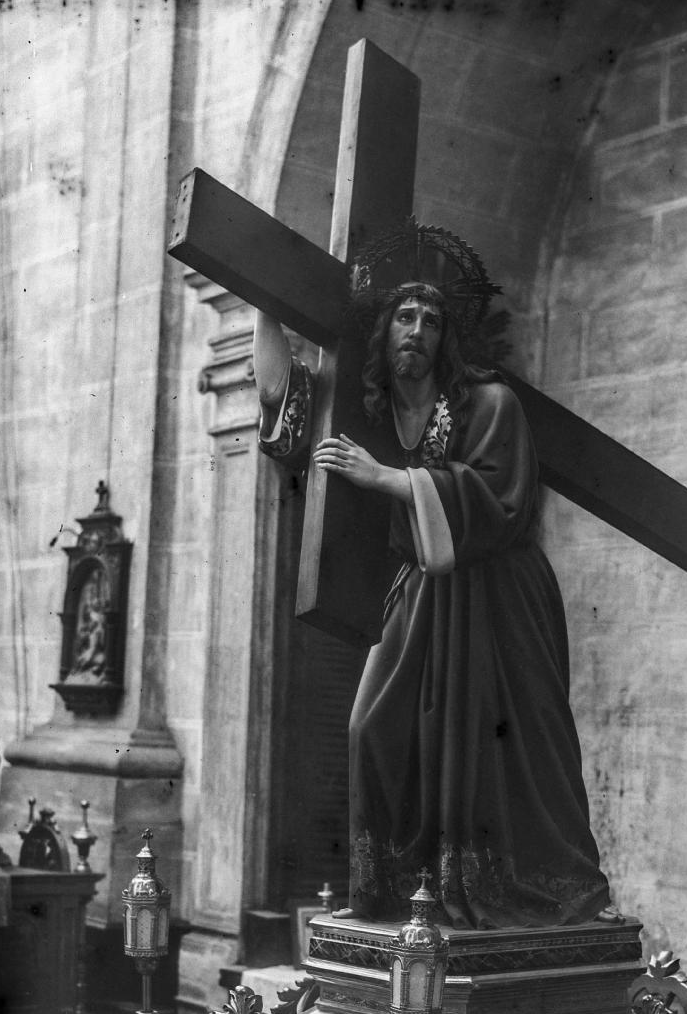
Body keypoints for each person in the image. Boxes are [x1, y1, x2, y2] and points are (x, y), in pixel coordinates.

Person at [254, 242, 614, 930]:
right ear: (382, 333)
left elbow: (500, 501)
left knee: (502, 747)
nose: (417, 330)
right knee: (371, 728)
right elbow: (281, 402)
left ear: (448, 338)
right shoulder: (367, 412)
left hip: (499, 596)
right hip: (424, 593)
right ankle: (396, 891)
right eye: (404, 317)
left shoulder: (491, 403)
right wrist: (264, 298)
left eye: (431, 320)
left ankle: (515, 890)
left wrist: (386, 478)